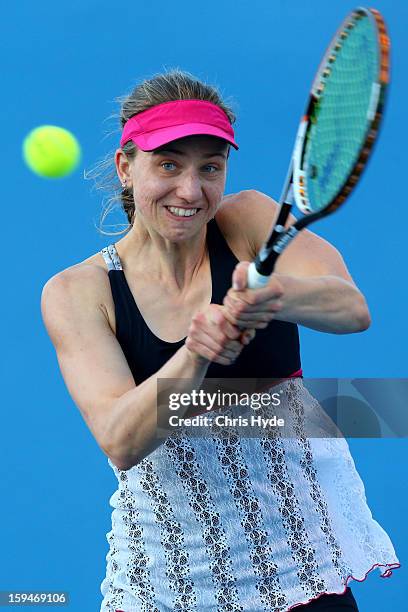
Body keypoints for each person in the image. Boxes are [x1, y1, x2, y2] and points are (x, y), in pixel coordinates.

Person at [41, 69, 400, 611]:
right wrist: (197, 354)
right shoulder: (78, 291)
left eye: (210, 167)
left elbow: (352, 309)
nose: (191, 190)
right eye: (168, 165)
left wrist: (273, 295)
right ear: (125, 167)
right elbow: (120, 439)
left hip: (302, 567)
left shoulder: (248, 219)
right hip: (172, 580)